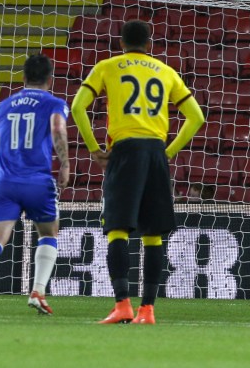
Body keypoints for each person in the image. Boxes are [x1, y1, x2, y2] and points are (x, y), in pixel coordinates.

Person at [70, 20, 206, 325]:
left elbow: (78, 107)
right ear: (149, 45)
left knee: (117, 228)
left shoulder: (108, 66)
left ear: (121, 43)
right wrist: (167, 151)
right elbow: (196, 116)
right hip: (156, 152)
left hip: (125, 150)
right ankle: (148, 310)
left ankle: (122, 305)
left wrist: (94, 148)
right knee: (153, 234)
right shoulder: (166, 71)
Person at [0, 53, 70, 319]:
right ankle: (38, 291)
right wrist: (65, 163)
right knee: (48, 234)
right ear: (49, 79)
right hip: (37, 181)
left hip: (5, 181)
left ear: (23, 78)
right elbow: (58, 129)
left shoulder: (4, 105)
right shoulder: (54, 103)